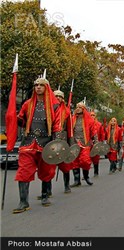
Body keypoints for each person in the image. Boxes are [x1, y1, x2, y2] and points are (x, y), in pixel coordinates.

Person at [13, 77, 61, 213]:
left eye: (41, 85)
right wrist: (13, 117)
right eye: (36, 85)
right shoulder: (27, 104)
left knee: (46, 171)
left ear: (46, 87)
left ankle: (45, 195)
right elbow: (21, 121)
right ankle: (23, 202)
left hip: (46, 143)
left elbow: (57, 126)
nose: (38, 87)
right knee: (23, 171)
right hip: (28, 142)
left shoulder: (54, 105)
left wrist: (55, 144)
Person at [67, 102, 97, 187]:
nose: (78, 108)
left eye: (80, 107)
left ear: (83, 108)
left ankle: (86, 177)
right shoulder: (72, 119)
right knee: (74, 161)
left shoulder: (89, 119)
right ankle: (77, 180)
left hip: (85, 143)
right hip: (74, 143)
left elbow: (94, 132)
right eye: (77, 107)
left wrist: (96, 142)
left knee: (85, 161)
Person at [52, 89, 72, 193]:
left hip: (63, 139)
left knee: (65, 165)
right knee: (48, 167)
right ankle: (46, 191)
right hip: (50, 139)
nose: (58, 98)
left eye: (60, 96)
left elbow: (69, 129)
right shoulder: (48, 109)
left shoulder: (67, 111)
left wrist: (70, 144)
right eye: (56, 96)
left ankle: (67, 185)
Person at [90, 111, 105, 177]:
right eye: (91, 115)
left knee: (96, 159)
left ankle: (96, 172)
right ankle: (86, 174)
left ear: (95, 116)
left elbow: (102, 134)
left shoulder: (99, 124)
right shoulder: (86, 124)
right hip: (89, 143)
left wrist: (101, 142)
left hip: (96, 143)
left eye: (93, 115)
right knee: (87, 159)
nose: (92, 116)